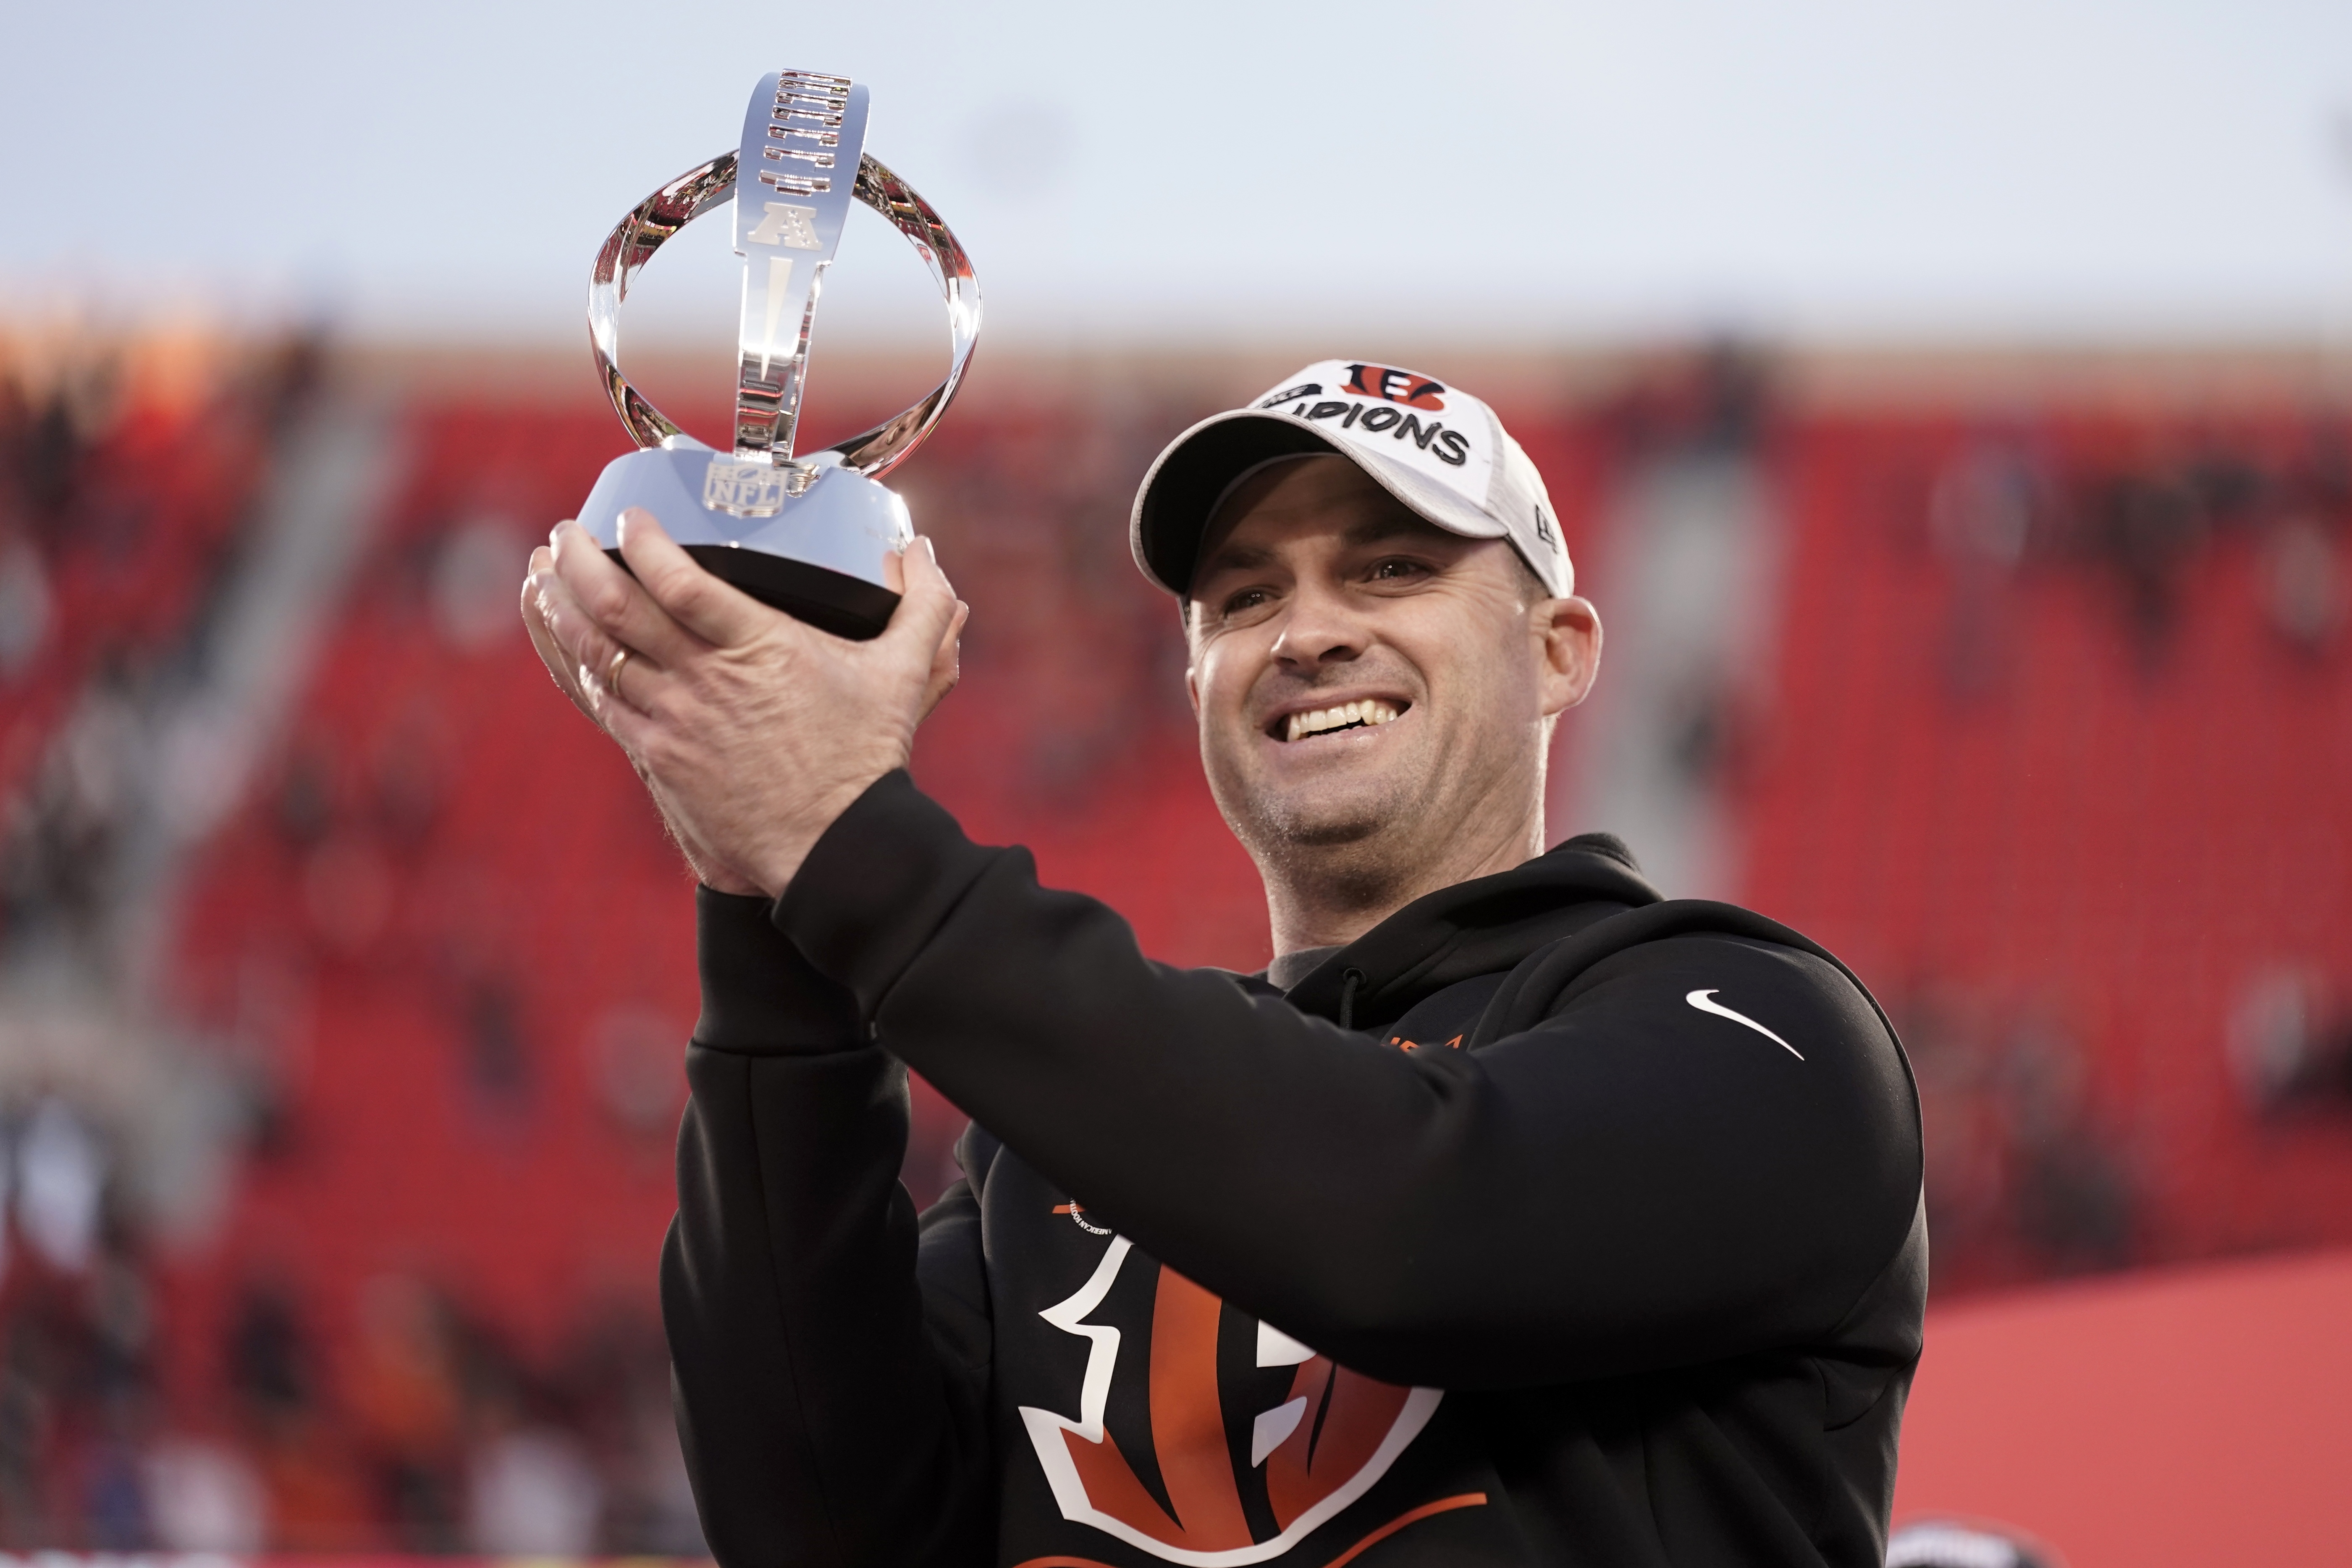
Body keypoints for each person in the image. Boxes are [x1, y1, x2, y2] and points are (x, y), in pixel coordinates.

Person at [520, 360, 1925, 1568]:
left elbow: (1402, 1229)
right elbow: (816, 1530)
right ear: (1192, 680)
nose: (1307, 631)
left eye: (1391, 567)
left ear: (1558, 652)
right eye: (1243, 596)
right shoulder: (1045, 1165)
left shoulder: (1763, 1030)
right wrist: (758, 887)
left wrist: (843, 838)